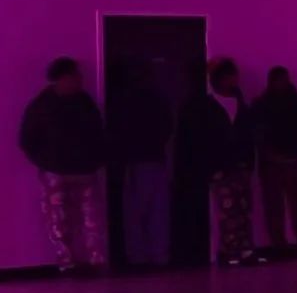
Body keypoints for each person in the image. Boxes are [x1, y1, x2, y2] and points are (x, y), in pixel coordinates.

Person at [18, 57, 107, 274]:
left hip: (84, 170)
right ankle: (67, 263)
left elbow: (98, 133)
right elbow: (27, 138)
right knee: (57, 220)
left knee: (91, 219)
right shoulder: (42, 105)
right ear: (60, 79)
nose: (78, 81)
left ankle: (96, 261)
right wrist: (46, 163)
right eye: (73, 77)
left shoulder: (84, 102)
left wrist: (96, 160)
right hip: (55, 171)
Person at [178, 58, 263, 266]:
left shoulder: (241, 105)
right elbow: (202, 139)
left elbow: (248, 135)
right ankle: (229, 250)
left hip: (241, 165)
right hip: (220, 166)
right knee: (226, 210)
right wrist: (210, 167)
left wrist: (249, 162)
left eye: (233, 75)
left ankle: (245, 248)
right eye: (227, 75)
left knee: (244, 208)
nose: (232, 79)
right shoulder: (206, 107)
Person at [110, 60, 173, 267]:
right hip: (154, 158)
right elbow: (166, 127)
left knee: (135, 214)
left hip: (134, 161)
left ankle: (139, 257)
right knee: (158, 213)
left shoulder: (122, 102)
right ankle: (158, 255)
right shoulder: (158, 100)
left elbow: (118, 133)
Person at [251, 66, 297, 257]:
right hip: (283, 160)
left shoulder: (262, 105)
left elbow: (259, 134)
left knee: (287, 205)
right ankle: (295, 244)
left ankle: (289, 245)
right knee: (286, 205)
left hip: (281, 160)